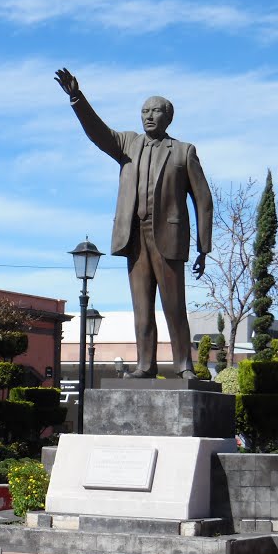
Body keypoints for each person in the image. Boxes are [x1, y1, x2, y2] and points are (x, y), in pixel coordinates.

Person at [55, 68, 213, 378]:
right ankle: (145, 365)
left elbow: (203, 200)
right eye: (145, 111)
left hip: (167, 237)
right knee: (141, 308)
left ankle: (184, 365)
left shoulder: (183, 152)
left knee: (173, 306)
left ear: (168, 118)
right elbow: (98, 132)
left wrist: (203, 248)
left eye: (155, 111)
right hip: (135, 237)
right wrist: (77, 97)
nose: (149, 116)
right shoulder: (127, 143)